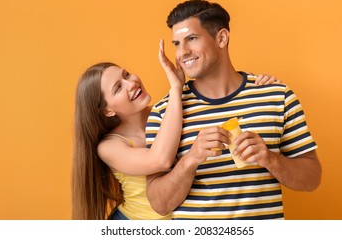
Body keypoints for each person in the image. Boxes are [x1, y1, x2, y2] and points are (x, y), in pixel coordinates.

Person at [145, 0, 322, 220]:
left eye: (191, 39)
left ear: (221, 38)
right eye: (177, 43)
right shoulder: (165, 113)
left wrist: (270, 159)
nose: (182, 53)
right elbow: (159, 204)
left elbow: (312, 179)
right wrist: (191, 158)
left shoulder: (277, 96)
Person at [71, 38, 279, 220]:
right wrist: (176, 87)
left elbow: (222, 104)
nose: (131, 83)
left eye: (127, 75)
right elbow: (160, 160)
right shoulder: (109, 146)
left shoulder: (168, 111)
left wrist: (255, 86)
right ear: (107, 110)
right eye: (118, 88)